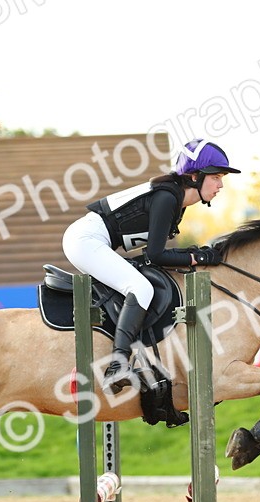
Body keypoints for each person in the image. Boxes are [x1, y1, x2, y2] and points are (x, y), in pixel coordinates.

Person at [62, 139, 239, 393]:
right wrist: (197, 258)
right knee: (141, 288)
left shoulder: (176, 199)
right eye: (216, 177)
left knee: (140, 282)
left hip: (91, 239)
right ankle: (117, 366)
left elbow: (152, 254)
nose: (221, 185)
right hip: (85, 239)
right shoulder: (168, 198)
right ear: (194, 176)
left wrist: (194, 253)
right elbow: (156, 255)